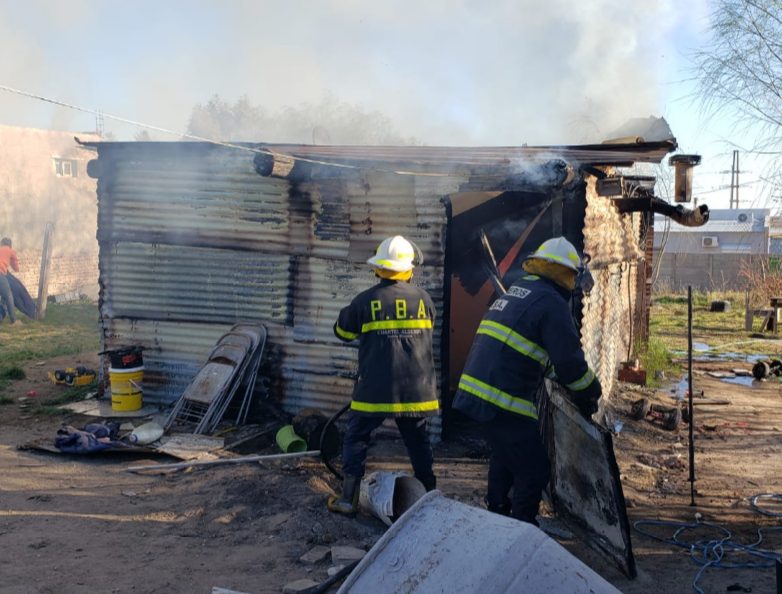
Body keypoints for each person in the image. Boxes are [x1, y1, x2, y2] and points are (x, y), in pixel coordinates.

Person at [453, 236, 601, 525]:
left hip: (476, 391)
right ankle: (523, 528)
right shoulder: (552, 304)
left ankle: (497, 514)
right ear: (568, 274)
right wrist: (590, 392)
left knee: (506, 454)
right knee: (534, 469)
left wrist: (561, 378)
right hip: (501, 396)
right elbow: (571, 365)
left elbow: (535, 355)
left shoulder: (520, 291)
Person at [328, 235, 439, 516]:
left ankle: (347, 500)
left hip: (374, 390)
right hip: (415, 390)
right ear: (408, 268)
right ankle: (431, 496)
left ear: (378, 268)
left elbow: (343, 332)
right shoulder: (424, 299)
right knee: (418, 442)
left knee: (356, 438)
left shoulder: (365, 300)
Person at [0, 237, 19, 324]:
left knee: (4, 296)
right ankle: (14, 320)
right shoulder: (11, 251)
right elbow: (16, 268)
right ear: (10, 245)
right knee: (8, 295)